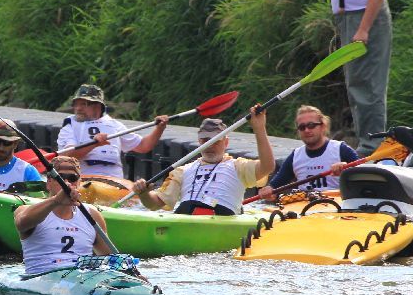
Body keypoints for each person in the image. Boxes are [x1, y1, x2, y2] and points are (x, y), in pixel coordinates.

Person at [330, 0, 392, 156]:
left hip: (366, 21)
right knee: (356, 82)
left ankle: (373, 145)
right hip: (352, 20)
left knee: (368, 84)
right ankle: (367, 141)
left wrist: (363, 29)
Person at [131, 108, 274, 215]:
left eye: (215, 141)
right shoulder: (181, 171)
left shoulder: (239, 166)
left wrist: (259, 128)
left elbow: (268, 166)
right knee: (185, 207)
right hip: (186, 215)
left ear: (226, 142)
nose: (210, 145)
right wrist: (143, 193)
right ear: (199, 142)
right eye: (205, 140)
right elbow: (155, 204)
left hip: (221, 216)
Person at [14, 156, 111, 276]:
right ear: (49, 183)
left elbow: (109, 260)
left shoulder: (92, 214)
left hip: (81, 281)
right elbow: (21, 223)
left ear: (79, 183)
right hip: (42, 280)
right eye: (60, 178)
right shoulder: (25, 210)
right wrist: (56, 200)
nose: (66, 183)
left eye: (72, 178)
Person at [57, 84, 169, 179]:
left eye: (84, 104)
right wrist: (94, 144)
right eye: (76, 104)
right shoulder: (69, 125)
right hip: (84, 180)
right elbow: (67, 156)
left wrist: (159, 129)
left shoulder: (114, 125)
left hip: (114, 182)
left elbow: (144, 146)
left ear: (98, 105)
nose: (78, 108)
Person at [256, 105, 360, 200]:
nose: (306, 130)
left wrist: (347, 168)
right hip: (307, 209)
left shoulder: (341, 149)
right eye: (302, 127)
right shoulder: (295, 156)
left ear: (323, 126)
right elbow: (276, 184)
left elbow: (365, 174)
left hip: (337, 207)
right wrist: (268, 191)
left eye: (311, 125)